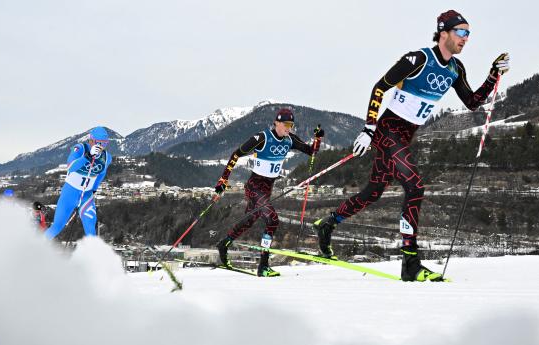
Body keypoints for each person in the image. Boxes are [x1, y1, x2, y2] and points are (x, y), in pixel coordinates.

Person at [313, 10, 510, 282]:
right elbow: (379, 88)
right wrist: (368, 129)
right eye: (461, 32)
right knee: (415, 186)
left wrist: (492, 75)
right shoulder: (418, 59)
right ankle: (410, 262)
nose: (466, 39)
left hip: (405, 137)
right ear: (444, 33)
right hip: (388, 131)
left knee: (373, 192)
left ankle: (327, 224)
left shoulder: (455, 68)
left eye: (469, 34)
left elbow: (473, 102)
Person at [215, 108, 324, 277]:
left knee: (249, 220)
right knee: (273, 220)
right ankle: (263, 266)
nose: (288, 128)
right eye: (286, 124)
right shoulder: (262, 138)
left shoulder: (290, 140)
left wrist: (318, 138)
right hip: (254, 187)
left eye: (291, 125)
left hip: (267, 190)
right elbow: (236, 154)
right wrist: (223, 180)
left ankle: (224, 243)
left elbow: (312, 152)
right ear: (277, 123)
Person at [44, 126, 112, 239]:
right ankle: (36, 248)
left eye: (104, 144)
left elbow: (101, 173)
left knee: (91, 230)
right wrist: (88, 156)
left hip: (86, 196)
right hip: (69, 194)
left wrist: (94, 189)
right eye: (98, 143)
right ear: (90, 140)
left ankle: (94, 255)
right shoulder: (80, 149)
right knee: (57, 226)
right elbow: (71, 167)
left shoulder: (107, 157)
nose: (100, 146)